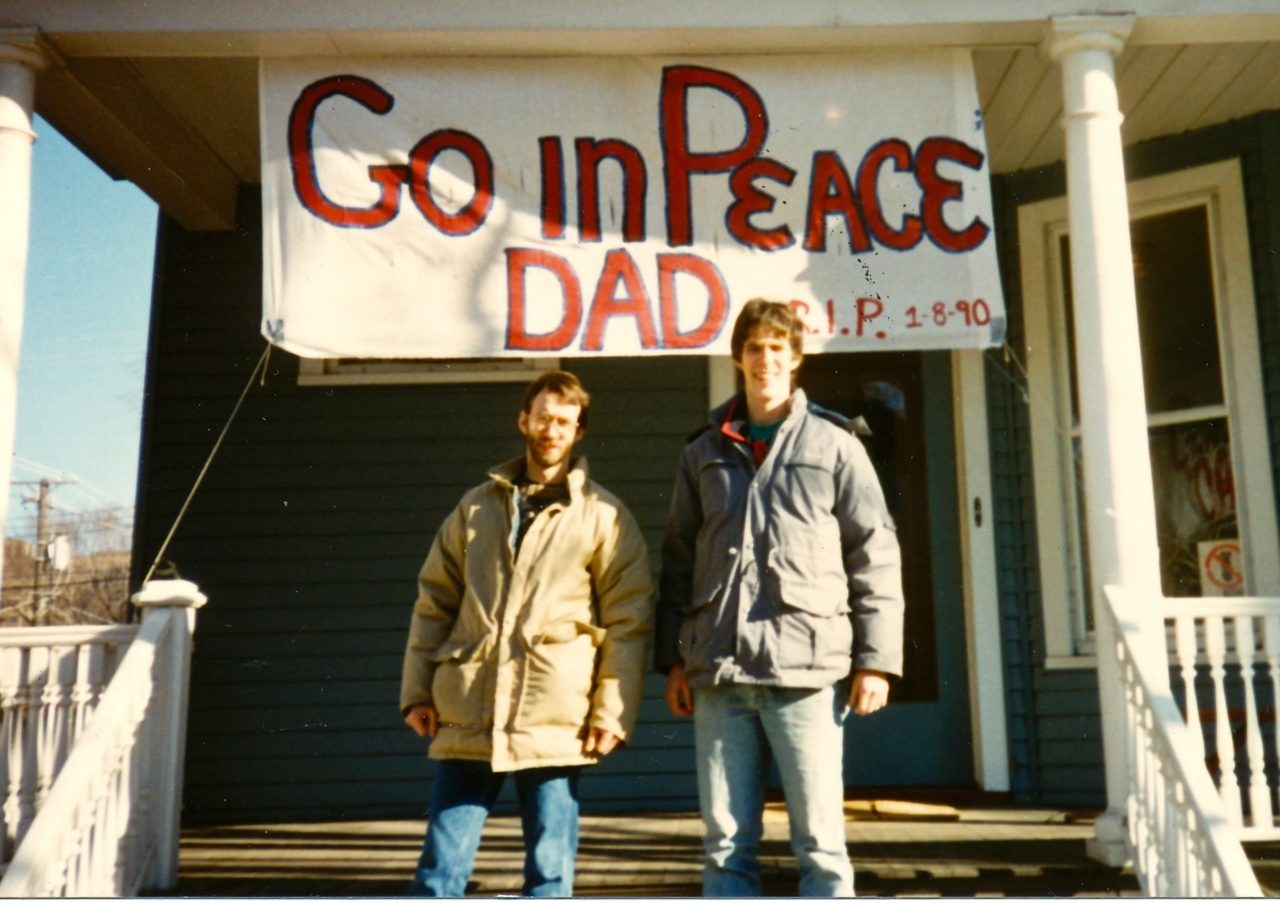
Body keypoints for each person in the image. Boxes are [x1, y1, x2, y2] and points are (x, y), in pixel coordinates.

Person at [655, 299, 905, 896]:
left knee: (819, 839)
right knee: (725, 844)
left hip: (806, 672)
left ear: (795, 359)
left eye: (776, 348)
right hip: (719, 669)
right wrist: (674, 661)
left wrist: (876, 660)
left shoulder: (836, 445)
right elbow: (679, 558)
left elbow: (875, 552)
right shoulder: (703, 452)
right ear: (738, 357)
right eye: (753, 347)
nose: (764, 359)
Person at [400, 370, 654, 897]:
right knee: (438, 872)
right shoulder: (474, 509)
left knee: (549, 875)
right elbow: (435, 602)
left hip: (555, 717)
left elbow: (629, 621)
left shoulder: (604, 517)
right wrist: (417, 692)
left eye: (564, 421)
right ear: (524, 420)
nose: (551, 430)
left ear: (579, 431)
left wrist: (611, 712)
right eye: (542, 417)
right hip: (470, 708)